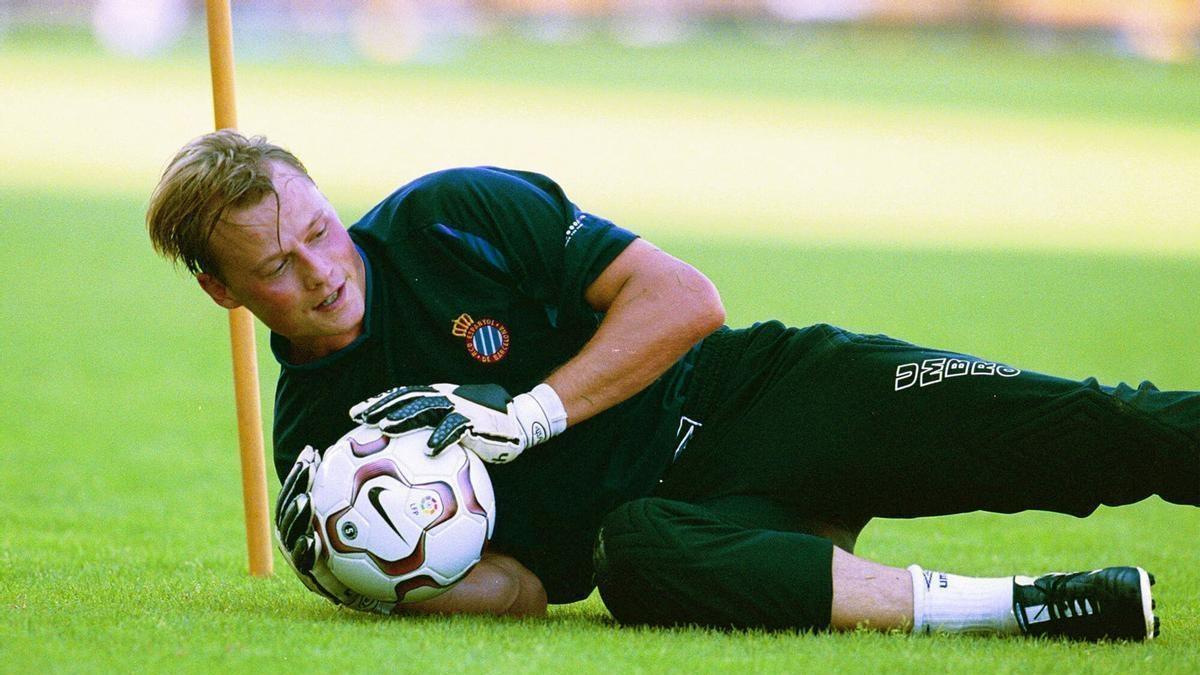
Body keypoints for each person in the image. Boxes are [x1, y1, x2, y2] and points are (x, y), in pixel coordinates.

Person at [147, 130, 1198, 640]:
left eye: (318, 229)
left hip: (758, 395)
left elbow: (686, 298)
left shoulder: (448, 214)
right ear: (219, 290)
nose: (322, 271)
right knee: (635, 560)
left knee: (1086, 420)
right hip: (678, 533)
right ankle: (1032, 610)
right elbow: (521, 596)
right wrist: (391, 577)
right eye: (277, 265)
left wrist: (527, 419)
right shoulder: (323, 456)